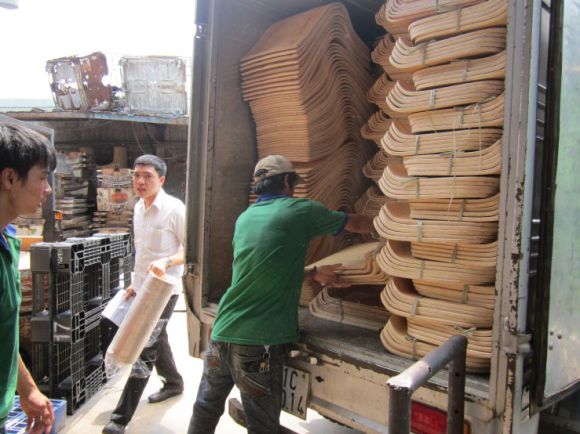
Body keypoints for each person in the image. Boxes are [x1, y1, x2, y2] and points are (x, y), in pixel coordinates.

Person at [187, 154, 375, 434]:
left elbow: (265, 266)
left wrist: (313, 273)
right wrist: (396, 225)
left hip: (223, 332)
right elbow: (355, 224)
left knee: (205, 407)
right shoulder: (300, 210)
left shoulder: (245, 218)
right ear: (288, 181)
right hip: (259, 340)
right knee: (262, 425)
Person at [102, 155, 185, 434]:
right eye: (136, 175)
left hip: (164, 289)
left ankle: (119, 420)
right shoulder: (138, 207)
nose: (140, 181)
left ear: (161, 180)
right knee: (157, 337)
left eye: (147, 176)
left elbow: (191, 250)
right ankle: (174, 382)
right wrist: (135, 283)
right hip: (143, 287)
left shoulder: (174, 209)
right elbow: (142, 253)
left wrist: (167, 262)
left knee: (146, 346)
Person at [0, 123, 56, 434]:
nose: (47, 189)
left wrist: (27, 388)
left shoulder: (8, 240)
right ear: (10, 178)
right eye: (42, 177)